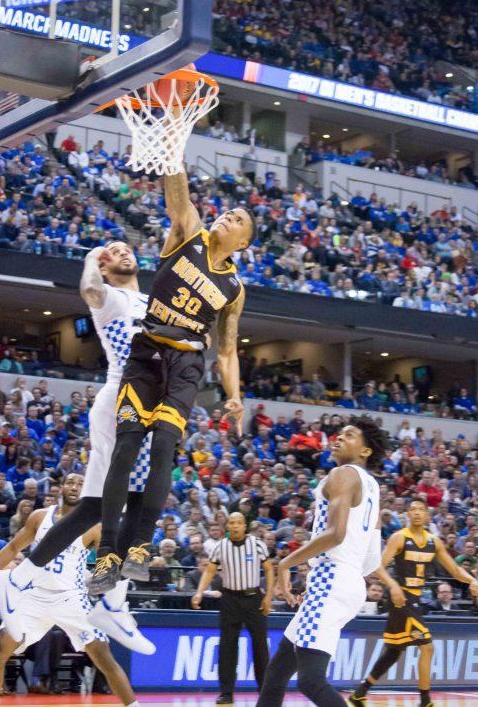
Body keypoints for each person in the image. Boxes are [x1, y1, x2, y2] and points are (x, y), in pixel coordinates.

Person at [88, 163, 251, 590]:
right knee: (125, 450)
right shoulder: (189, 232)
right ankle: (107, 553)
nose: (225, 217)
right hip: (146, 351)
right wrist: (172, 149)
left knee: (164, 445)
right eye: (226, 212)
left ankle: (140, 547)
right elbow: (177, 195)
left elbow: (229, 349)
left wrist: (234, 395)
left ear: (243, 242)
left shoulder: (234, 287)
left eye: (235, 219)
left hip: (186, 363)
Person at [0, 241, 153, 653]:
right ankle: (112, 603)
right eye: (114, 251)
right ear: (104, 266)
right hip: (124, 400)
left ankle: (23, 576)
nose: (123, 252)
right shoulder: (111, 297)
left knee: (94, 507)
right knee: (137, 498)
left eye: (126, 248)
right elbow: (89, 291)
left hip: (139, 404)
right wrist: (91, 260)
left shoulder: (148, 300)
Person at [0, 474, 142, 707]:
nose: (74, 487)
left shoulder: (94, 525)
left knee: (103, 657)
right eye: (70, 482)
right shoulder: (39, 517)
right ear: (61, 487)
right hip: (33, 596)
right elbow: (13, 547)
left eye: (80, 484)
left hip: (71, 599)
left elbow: (109, 561)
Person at [256, 417, 387, 707]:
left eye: (349, 435)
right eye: (338, 433)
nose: (338, 438)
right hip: (347, 583)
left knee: (310, 680)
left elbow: (335, 534)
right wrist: (328, 583)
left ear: (366, 450)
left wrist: (286, 563)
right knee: (277, 672)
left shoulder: (342, 474)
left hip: (332, 580)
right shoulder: (374, 488)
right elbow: (372, 559)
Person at [349, 498, 478, 707]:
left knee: (394, 651)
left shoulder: (433, 542)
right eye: (413, 509)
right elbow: (378, 566)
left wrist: (472, 579)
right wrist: (392, 586)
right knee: (427, 647)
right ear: (407, 515)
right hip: (400, 599)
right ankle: (425, 701)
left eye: (421, 509)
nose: (417, 512)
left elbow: (455, 570)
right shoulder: (399, 537)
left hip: (415, 600)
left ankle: (359, 693)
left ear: (427, 516)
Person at [192, 512, 273, 705]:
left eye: (239, 522)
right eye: (232, 523)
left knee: (260, 646)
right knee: (227, 646)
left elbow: (269, 569)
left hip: (254, 598)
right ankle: (226, 692)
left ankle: (265, 690)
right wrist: (199, 592)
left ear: (244, 526)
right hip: (230, 598)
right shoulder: (220, 546)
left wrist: (268, 596)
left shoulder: (257, 544)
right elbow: (210, 570)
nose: (235, 526)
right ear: (227, 526)